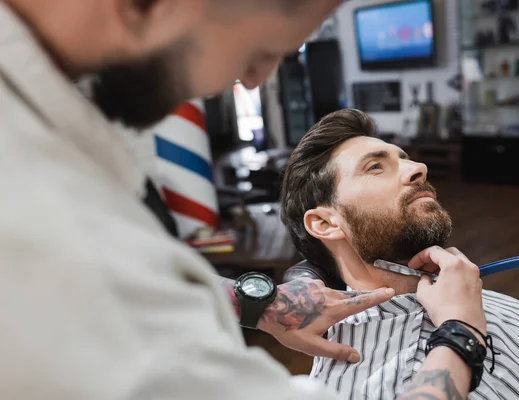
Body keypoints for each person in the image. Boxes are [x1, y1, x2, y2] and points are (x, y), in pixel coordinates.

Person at [0, 0, 486, 399]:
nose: (252, 80)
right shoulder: (42, 221)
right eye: (264, 48)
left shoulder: (62, 121)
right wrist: (461, 336)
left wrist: (259, 304)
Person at [279, 109, 519, 400]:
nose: (419, 167)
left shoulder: (462, 292)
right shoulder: (378, 378)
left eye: (404, 158)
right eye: (375, 167)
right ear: (324, 222)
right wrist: (463, 330)